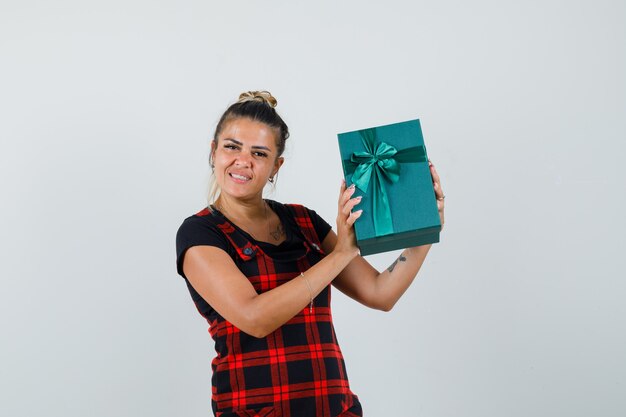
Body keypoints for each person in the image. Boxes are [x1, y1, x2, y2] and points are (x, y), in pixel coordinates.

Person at [175, 91, 445, 417]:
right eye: (232, 147)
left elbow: (380, 293)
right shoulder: (200, 233)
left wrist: (423, 231)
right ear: (214, 151)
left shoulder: (304, 222)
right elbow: (255, 318)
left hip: (334, 408)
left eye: (259, 153)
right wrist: (341, 252)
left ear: (276, 166)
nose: (242, 161)